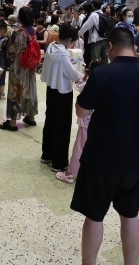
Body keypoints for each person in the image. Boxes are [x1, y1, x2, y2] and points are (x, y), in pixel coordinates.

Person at [70, 28, 139, 265]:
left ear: (110, 46)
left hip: (100, 159)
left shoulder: (102, 75)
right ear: (133, 47)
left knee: (94, 216)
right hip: (134, 159)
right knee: (130, 215)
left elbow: (82, 111)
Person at [40, 24, 83, 174]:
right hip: (63, 91)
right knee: (62, 126)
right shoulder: (63, 54)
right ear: (70, 39)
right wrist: (82, 77)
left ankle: (47, 154)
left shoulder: (52, 46)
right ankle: (59, 162)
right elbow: (71, 73)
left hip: (51, 88)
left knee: (50, 120)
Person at [0, 7, 39, 131]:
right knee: (30, 89)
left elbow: (11, 50)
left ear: (20, 18)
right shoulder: (33, 31)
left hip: (18, 67)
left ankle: (12, 123)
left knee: (16, 91)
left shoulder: (17, 32)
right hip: (30, 66)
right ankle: (31, 118)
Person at [79, 0, 108, 64]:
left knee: (95, 59)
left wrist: (79, 33)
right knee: (104, 58)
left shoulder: (94, 15)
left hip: (96, 39)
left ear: (93, 6)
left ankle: (95, 72)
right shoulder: (103, 14)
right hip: (104, 38)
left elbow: (86, 26)